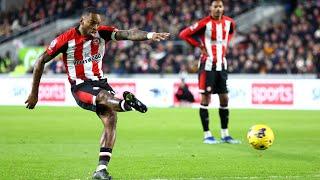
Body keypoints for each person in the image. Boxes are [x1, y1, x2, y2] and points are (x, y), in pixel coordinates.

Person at [25, 7, 170, 180]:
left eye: (98, 23)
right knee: (103, 97)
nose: (96, 27)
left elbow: (129, 34)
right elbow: (41, 61)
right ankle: (126, 103)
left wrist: (149, 35)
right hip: (81, 86)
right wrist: (34, 93)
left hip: (101, 82)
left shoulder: (102, 34)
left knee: (110, 119)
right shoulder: (65, 39)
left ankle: (101, 170)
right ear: (82, 21)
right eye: (92, 22)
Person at [179, 0, 240, 144]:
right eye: (215, 6)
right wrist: (199, 45)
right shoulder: (204, 23)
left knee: (224, 98)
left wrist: (226, 42)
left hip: (222, 65)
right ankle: (207, 135)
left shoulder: (229, 22)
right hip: (207, 65)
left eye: (220, 6)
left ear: (223, 8)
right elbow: (183, 34)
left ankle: (225, 134)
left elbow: (231, 33)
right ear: (210, 8)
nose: (218, 9)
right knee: (206, 99)